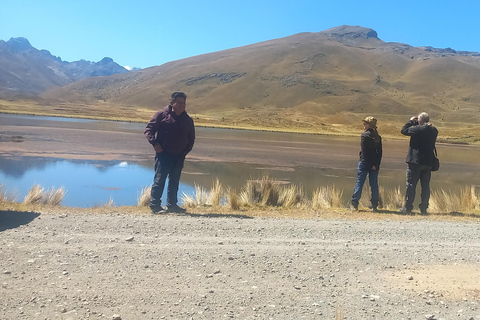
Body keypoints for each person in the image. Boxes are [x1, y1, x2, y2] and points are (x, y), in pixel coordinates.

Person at [145, 92, 195, 214]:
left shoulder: (187, 120)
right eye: (179, 103)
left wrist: (185, 151)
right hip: (164, 154)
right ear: (172, 103)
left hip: (179, 156)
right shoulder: (161, 115)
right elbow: (149, 130)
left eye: (184, 103)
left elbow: (191, 138)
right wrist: (155, 145)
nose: (182, 105)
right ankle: (155, 206)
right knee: (159, 180)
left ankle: (172, 205)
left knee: (175, 181)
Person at [400, 112, 438, 215]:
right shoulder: (434, 130)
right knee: (425, 186)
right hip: (428, 162)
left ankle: (408, 208)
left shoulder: (417, 129)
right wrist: (418, 123)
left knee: (411, 185)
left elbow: (403, 130)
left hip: (415, 162)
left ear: (419, 121)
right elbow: (425, 129)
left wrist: (411, 121)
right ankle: (424, 208)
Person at [351, 116, 383, 212]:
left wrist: (370, 164)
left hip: (365, 163)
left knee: (359, 183)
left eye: (365, 123)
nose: (363, 125)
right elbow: (379, 153)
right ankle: (374, 205)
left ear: (369, 125)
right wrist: (376, 164)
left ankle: (354, 204)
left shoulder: (365, 136)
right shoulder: (378, 137)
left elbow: (365, 152)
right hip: (374, 165)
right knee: (374, 184)